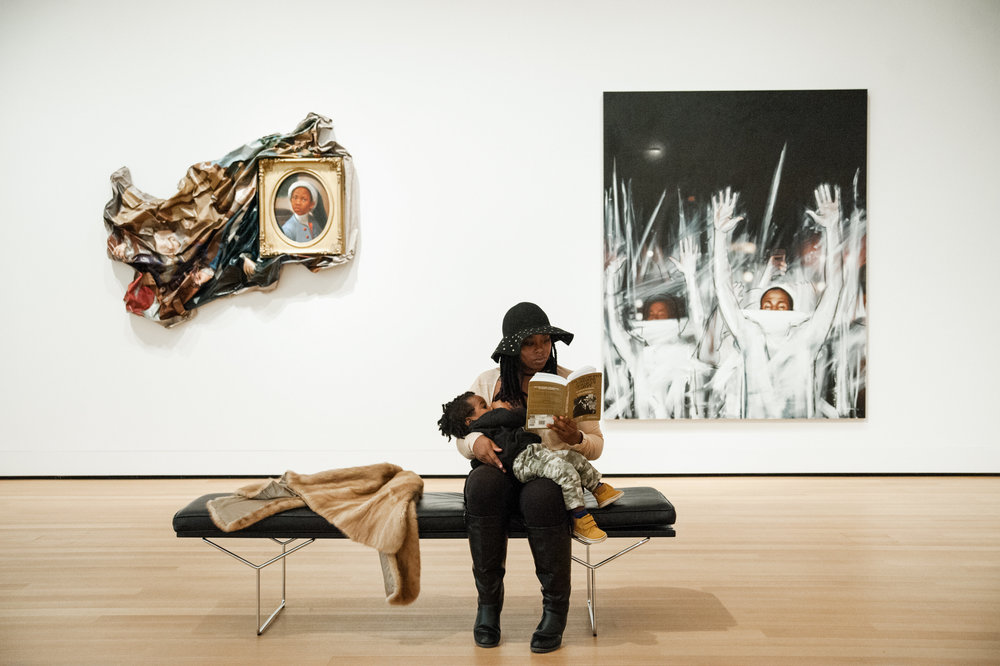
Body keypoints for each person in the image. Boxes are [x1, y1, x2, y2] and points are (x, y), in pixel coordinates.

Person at [454, 302, 605, 653]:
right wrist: (476, 443)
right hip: (502, 465)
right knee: (481, 486)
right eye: (529, 343)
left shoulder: (570, 381)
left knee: (543, 496)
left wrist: (575, 439)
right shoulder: (487, 381)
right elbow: (461, 430)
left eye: (546, 341)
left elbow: (596, 445)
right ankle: (488, 606)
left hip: (548, 467)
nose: (540, 350)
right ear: (512, 348)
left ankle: (555, 610)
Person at [439, 392, 622, 543]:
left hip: (533, 452)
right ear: (469, 421)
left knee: (573, 458)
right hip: (522, 461)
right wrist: (502, 408)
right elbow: (514, 417)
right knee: (565, 471)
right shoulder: (487, 421)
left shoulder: (487, 422)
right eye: (483, 405)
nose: (489, 406)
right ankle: (580, 518)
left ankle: (599, 489)